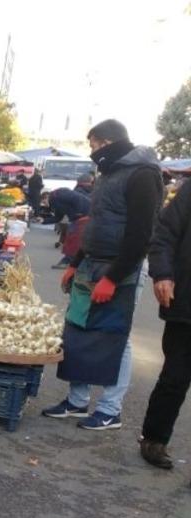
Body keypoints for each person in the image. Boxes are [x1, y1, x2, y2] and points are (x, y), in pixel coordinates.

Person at [44, 119, 163, 430]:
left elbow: (141, 234)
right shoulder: (107, 173)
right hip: (90, 262)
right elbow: (94, 224)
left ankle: (111, 409)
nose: (93, 152)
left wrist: (113, 277)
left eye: (96, 145)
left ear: (110, 142)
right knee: (78, 330)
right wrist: (75, 262)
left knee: (114, 335)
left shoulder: (143, 175)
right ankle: (77, 402)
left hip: (121, 267)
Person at [138, 179, 191, 473]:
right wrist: (162, 274)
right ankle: (154, 439)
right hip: (186, 303)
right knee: (175, 377)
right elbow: (164, 235)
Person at [45, 186, 92, 268]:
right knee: (73, 236)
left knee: (74, 237)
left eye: (43, 201)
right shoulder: (54, 202)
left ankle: (68, 260)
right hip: (80, 215)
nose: (44, 204)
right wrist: (43, 221)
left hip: (85, 213)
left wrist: (78, 213)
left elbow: (77, 198)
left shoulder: (59, 193)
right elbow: (58, 217)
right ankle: (69, 260)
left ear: (45, 197)